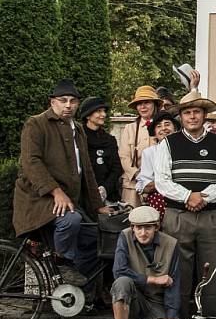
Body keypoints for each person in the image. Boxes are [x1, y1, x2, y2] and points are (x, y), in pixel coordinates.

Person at [13, 79, 110, 288]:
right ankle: (62, 264)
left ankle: (80, 293)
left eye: (73, 101)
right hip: (38, 200)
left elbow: (87, 171)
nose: (68, 105)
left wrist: (98, 206)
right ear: (52, 102)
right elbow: (31, 162)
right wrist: (55, 191)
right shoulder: (36, 123)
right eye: (63, 100)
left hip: (68, 201)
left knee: (97, 237)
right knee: (71, 221)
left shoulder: (78, 129)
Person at [154, 91, 216, 318]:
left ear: (204, 115)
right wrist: (188, 196)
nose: (192, 117)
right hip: (178, 214)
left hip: (211, 216)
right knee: (179, 271)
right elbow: (161, 180)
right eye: (187, 112)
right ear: (181, 116)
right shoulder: (169, 143)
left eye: (197, 112)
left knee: (212, 273)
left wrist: (204, 197)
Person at [108, 206, 180, 319]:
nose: (143, 233)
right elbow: (119, 271)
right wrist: (152, 279)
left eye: (148, 227)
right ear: (132, 228)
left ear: (156, 227)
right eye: (138, 228)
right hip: (133, 296)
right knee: (121, 282)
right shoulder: (124, 237)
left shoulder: (171, 244)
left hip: (156, 300)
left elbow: (174, 283)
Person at [119, 85, 162, 206]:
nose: (142, 107)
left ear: (154, 104)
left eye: (147, 102)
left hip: (159, 185)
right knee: (132, 220)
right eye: (139, 103)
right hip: (132, 185)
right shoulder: (129, 128)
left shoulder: (163, 127)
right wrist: (140, 176)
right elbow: (124, 156)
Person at [136, 110, 180, 222]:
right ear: (155, 132)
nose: (164, 128)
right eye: (159, 126)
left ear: (175, 128)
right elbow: (146, 185)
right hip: (159, 200)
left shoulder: (185, 149)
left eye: (167, 124)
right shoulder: (149, 153)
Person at [79, 96, 122, 203]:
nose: (103, 115)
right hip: (83, 195)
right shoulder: (78, 137)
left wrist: (105, 189)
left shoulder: (110, 139)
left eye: (104, 111)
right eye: (98, 111)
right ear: (88, 115)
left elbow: (116, 168)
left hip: (109, 194)